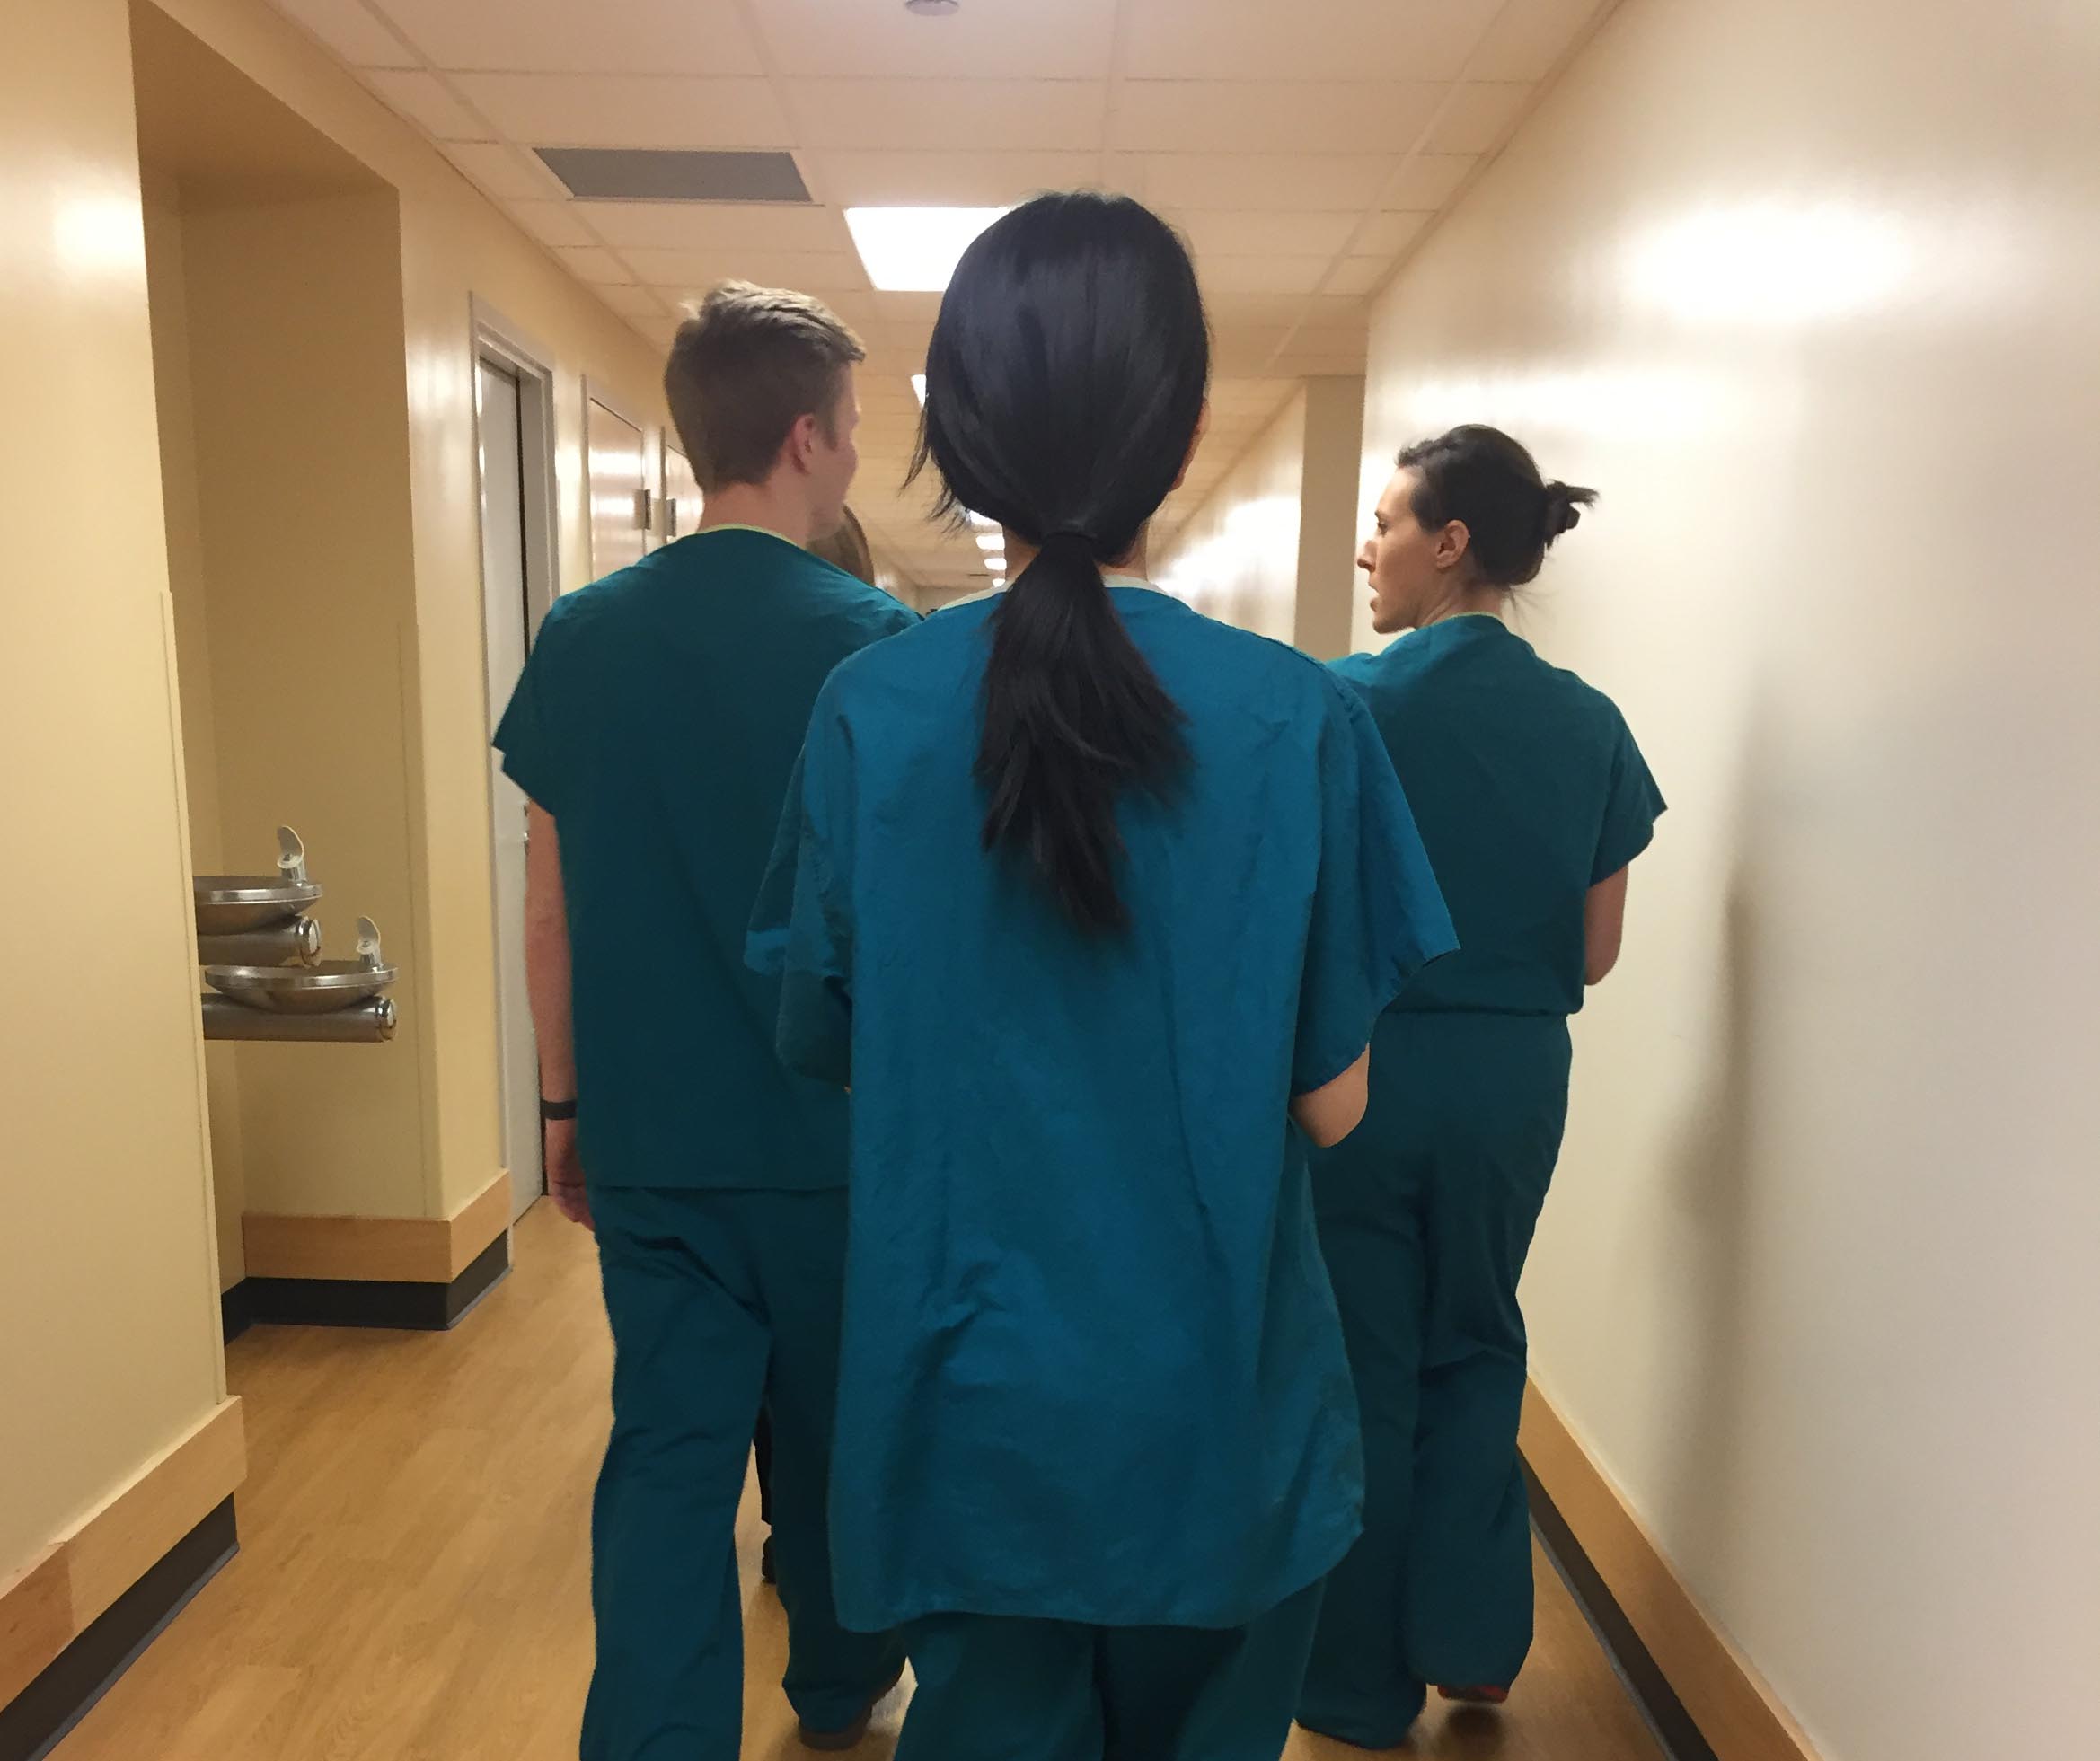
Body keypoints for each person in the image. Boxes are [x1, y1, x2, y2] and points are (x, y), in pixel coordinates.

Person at [748, 191, 1457, 1761]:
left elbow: (846, 1041)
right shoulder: (1298, 723)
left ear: (962, 433)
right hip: (1216, 1423)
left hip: (966, 1415)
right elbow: (1332, 1107)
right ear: (1186, 425)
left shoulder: (873, 713)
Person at [494, 281, 917, 1759]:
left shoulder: (583, 636)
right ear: (804, 436)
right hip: (835, 1143)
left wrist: (561, 1109)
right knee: (829, 1436)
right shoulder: (876, 640)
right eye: (856, 426)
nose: (858, 455)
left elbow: (547, 907)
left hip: (653, 1136)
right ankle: (837, 1685)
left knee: (668, 1458)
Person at [1296, 426, 1666, 1749]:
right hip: (1516, 1073)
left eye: (1385, 519)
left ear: (1448, 543)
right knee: (1476, 1331)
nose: (1366, 545)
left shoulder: (1338, 706)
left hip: (1365, 1067)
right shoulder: (1587, 723)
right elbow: (1594, 949)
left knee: (1360, 1357)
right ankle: (1474, 1642)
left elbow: (1297, 915)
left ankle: (1348, 1684)